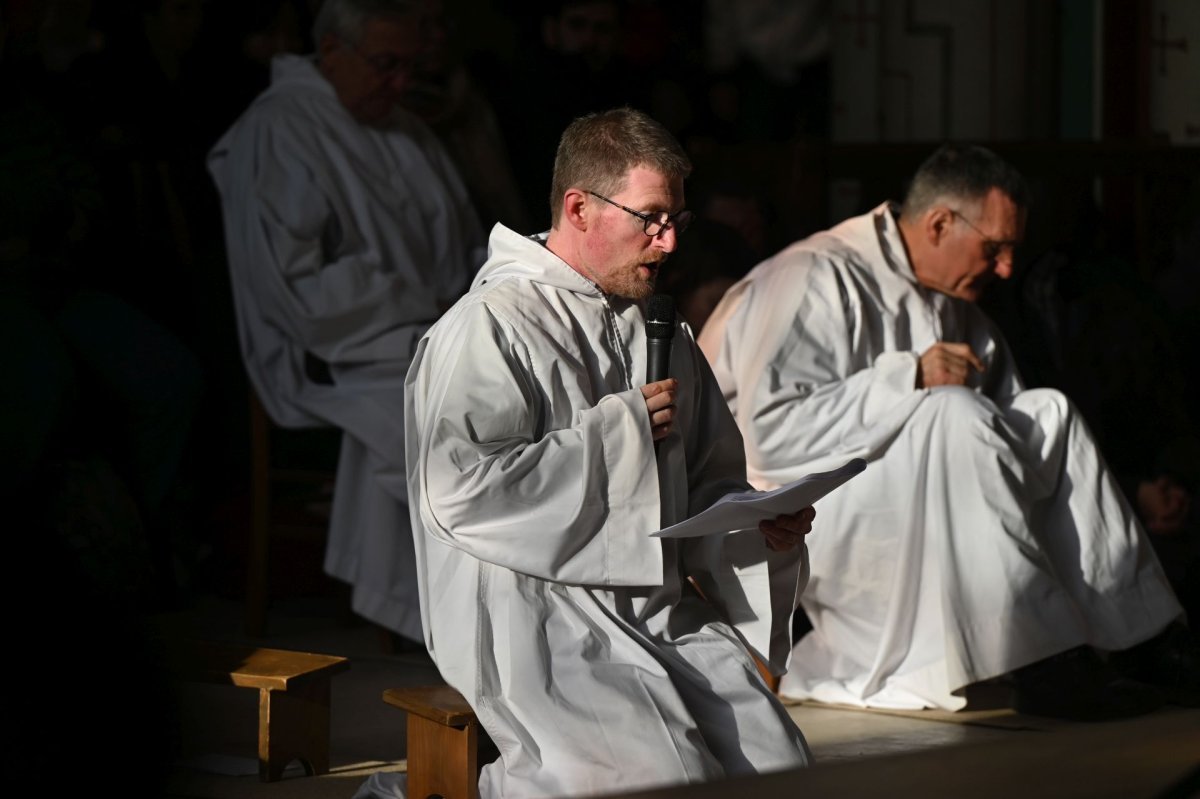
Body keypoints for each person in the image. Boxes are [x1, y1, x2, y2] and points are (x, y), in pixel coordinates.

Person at [699, 144, 1197, 719]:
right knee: (951, 412)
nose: (1008, 268)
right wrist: (906, 378)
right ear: (939, 223)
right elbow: (767, 436)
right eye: (996, 248)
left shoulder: (961, 307)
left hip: (911, 501)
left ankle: (1141, 637)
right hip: (791, 517)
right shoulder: (813, 276)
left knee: (1048, 415)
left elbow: (1008, 444)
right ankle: (1036, 657)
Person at [400, 108, 814, 798]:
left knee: (779, 765)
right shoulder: (491, 324)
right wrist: (618, 434)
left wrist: (754, 523)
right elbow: (461, 490)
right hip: (538, 610)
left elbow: (705, 479)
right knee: (660, 778)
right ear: (579, 207)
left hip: (653, 603)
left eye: (676, 219)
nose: (670, 241)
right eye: (651, 217)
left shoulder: (660, 324)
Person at [208, 0, 484, 643]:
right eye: (385, 65)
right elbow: (294, 283)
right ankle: (444, 620)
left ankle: (492, 605)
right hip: (338, 350)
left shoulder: (402, 125)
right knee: (445, 403)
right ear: (331, 50)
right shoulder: (278, 129)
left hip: (420, 327)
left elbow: (462, 243)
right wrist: (426, 312)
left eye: (410, 67)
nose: (398, 83)